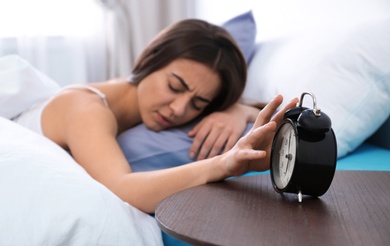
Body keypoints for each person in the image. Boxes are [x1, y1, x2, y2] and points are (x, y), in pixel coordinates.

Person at [13, 19, 298, 213]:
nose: (179, 109)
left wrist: (237, 111)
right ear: (151, 59)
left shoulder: (125, 97)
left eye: (198, 104)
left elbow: (244, 104)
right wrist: (224, 164)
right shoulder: (84, 107)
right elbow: (122, 189)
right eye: (174, 86)